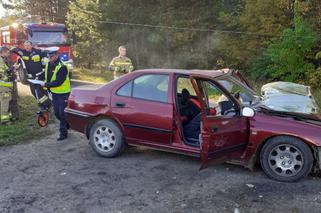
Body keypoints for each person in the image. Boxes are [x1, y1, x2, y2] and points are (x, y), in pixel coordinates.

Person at [10, 40, 51, 111]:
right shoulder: (22, 52)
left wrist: (46, 51)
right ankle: (46, 104)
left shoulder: (38, 51)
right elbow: (13, 49)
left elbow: (47, 54)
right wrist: (10, 48)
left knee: (40, 91)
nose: (27, 47)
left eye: (28, 45)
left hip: (40, 75)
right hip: (31, 77)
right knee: (34, 92)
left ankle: (46, 105)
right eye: (25, 46)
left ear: (31, 45)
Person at [40, 47, 70, 141]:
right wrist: (36, 78)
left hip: (63, 93)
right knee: (57, 113)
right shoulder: (49, 64)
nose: (50, 58)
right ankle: (67, 124)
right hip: (54, 93)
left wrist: (46, 84)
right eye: (49, 56)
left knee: (62, 113)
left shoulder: (62, 66)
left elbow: (58, 82)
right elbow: (46, 75)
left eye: (52, 56)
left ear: (57, 55)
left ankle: (63, 133)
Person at [0, 46, 19, 123]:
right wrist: (13, 68)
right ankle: (4, 120)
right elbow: (5, 72)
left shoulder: (4, 59)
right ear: (3, 52)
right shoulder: (1, 60)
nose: (8, 53)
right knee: (5, 102)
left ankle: (9, 117)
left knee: (7, 101)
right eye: (7, 52)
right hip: (4, 85)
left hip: (7, 85)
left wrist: (14, 69)